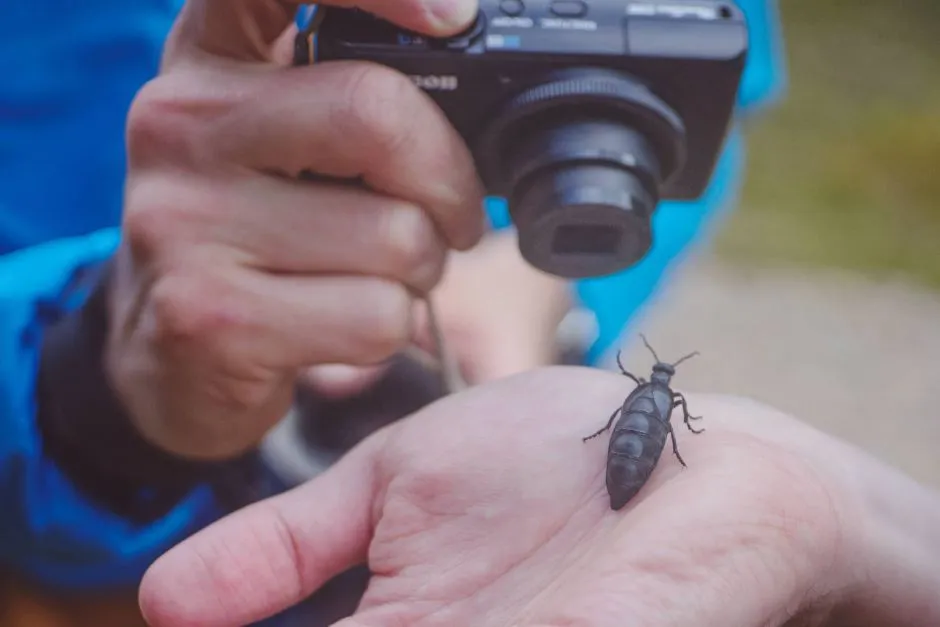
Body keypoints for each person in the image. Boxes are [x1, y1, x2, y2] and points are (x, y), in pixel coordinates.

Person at [0, 0, 784, 612]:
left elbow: (706, 89)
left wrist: (551, 277)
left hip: (487, 514)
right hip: (65, 560)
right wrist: (87, 371)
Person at [137, 366, 940, 627]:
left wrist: (825, 504)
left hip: (634, 452)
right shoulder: (652, 403)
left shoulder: (644, 401)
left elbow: (643, 424)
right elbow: (647, 425)